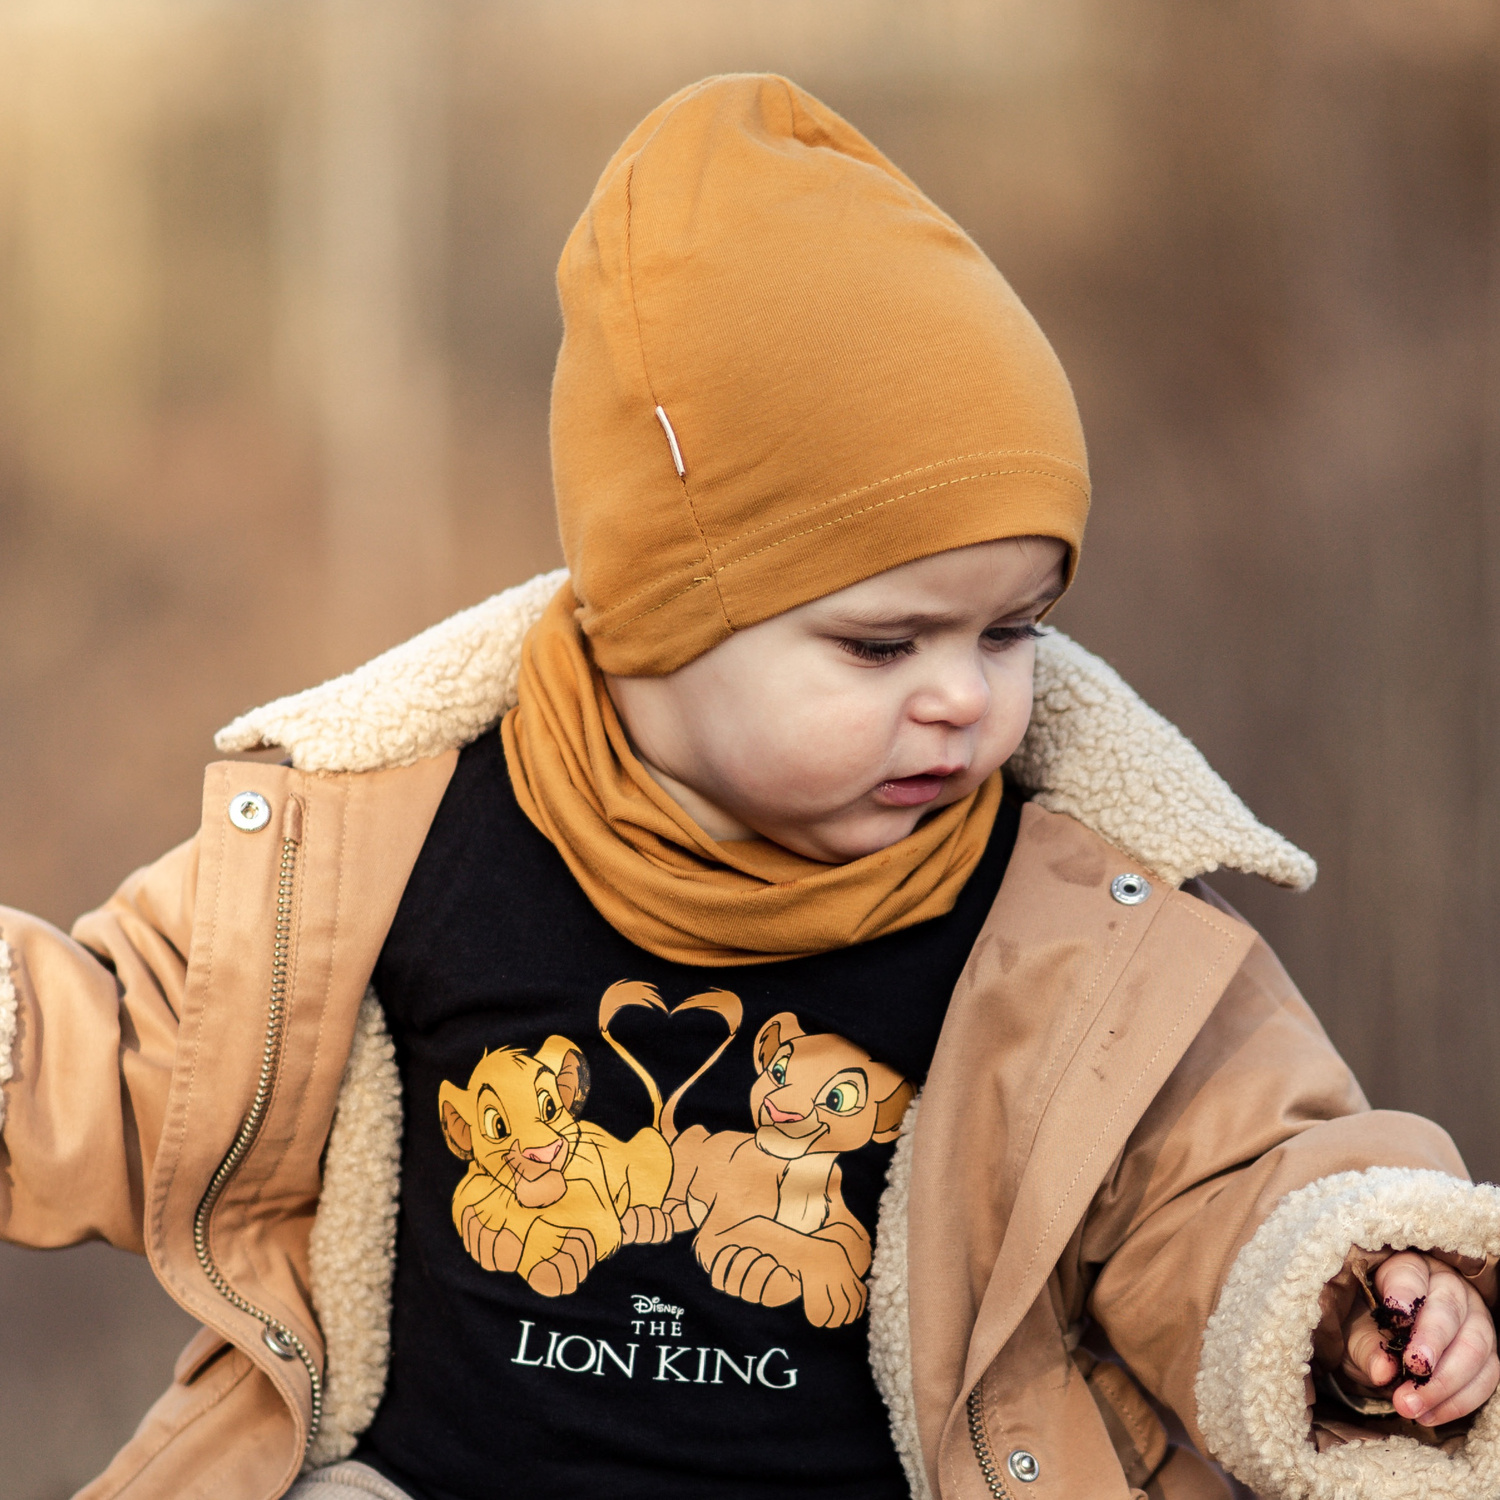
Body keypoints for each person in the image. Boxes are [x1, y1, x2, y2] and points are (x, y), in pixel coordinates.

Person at [2, 73, 1497, 1500]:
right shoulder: (387, 838)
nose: (961, 697)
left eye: (1011, 630)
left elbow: (1223, 1176)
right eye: (880, 641)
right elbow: (141, 1057)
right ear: (655, 619)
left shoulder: (1077, 921)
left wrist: (1346, 1289)